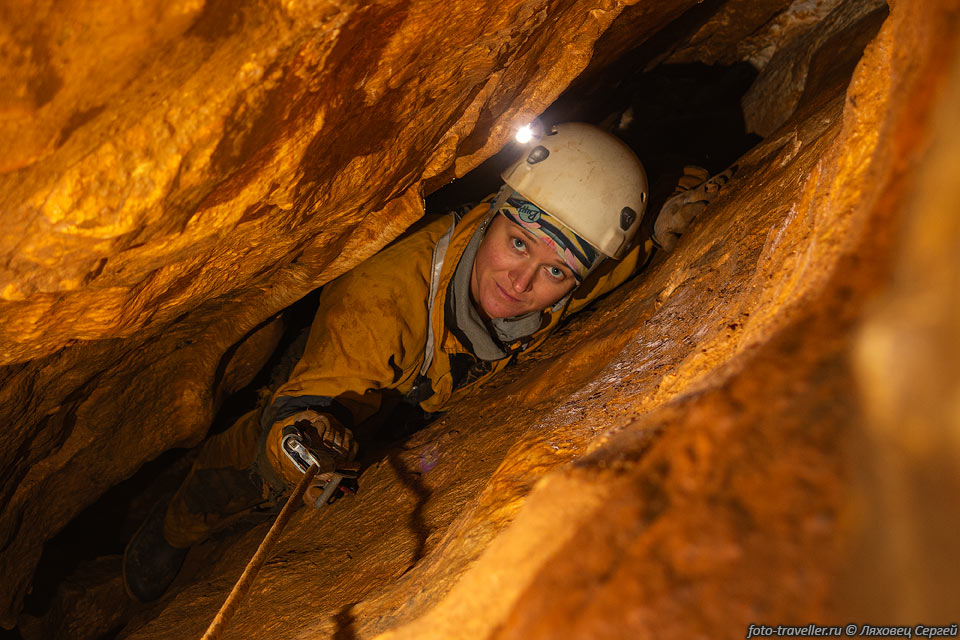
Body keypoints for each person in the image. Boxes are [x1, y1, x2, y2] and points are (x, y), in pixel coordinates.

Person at [122, 122, 727, 602]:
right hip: (358, 379)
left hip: (422, 396)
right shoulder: (380, 300)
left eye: (555, 271)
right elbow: (301, 413)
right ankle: (173, 525)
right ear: (493, 211)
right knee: (255, 466)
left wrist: (662, 223)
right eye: (517, 243)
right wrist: (303, 446)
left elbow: (622, 247)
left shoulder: (575, 268)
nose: (522, 282)